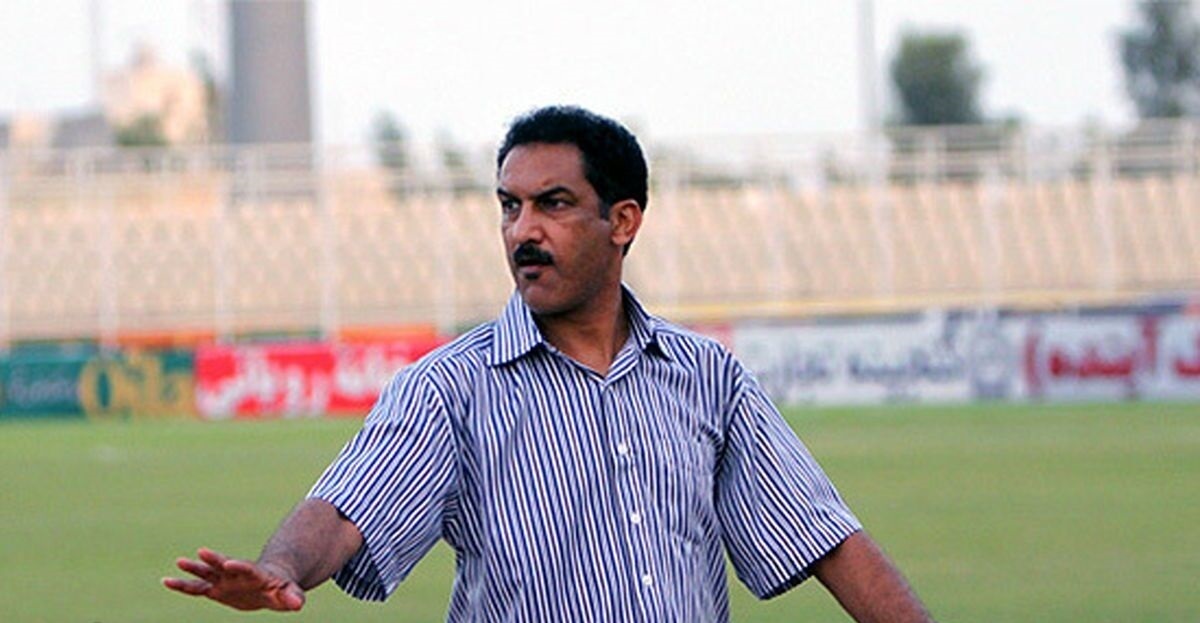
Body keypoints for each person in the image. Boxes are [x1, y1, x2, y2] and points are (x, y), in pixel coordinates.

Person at [164, 105, 934, 622]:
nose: (521, 231)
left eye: (553, 204)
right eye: (510, 206)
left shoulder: (709, 377)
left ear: (622, 220)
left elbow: (827, 539)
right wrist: (281, 565)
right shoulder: (451, 389)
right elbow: (344, 511)